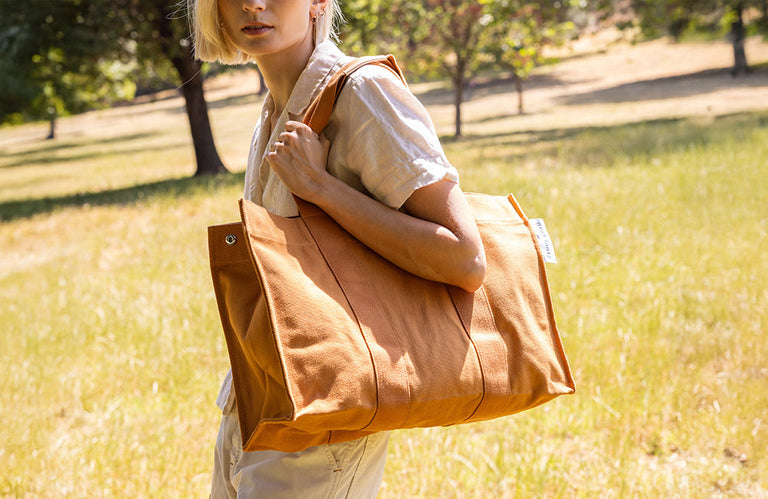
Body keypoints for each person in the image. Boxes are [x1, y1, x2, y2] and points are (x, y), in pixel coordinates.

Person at [189, 0, 487, 496]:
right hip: (257, 401)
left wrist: (321, 188)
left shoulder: (364, 92)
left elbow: (465, 257)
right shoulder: (276, 109)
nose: (252, 4)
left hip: (322, 426)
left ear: (319, 3)